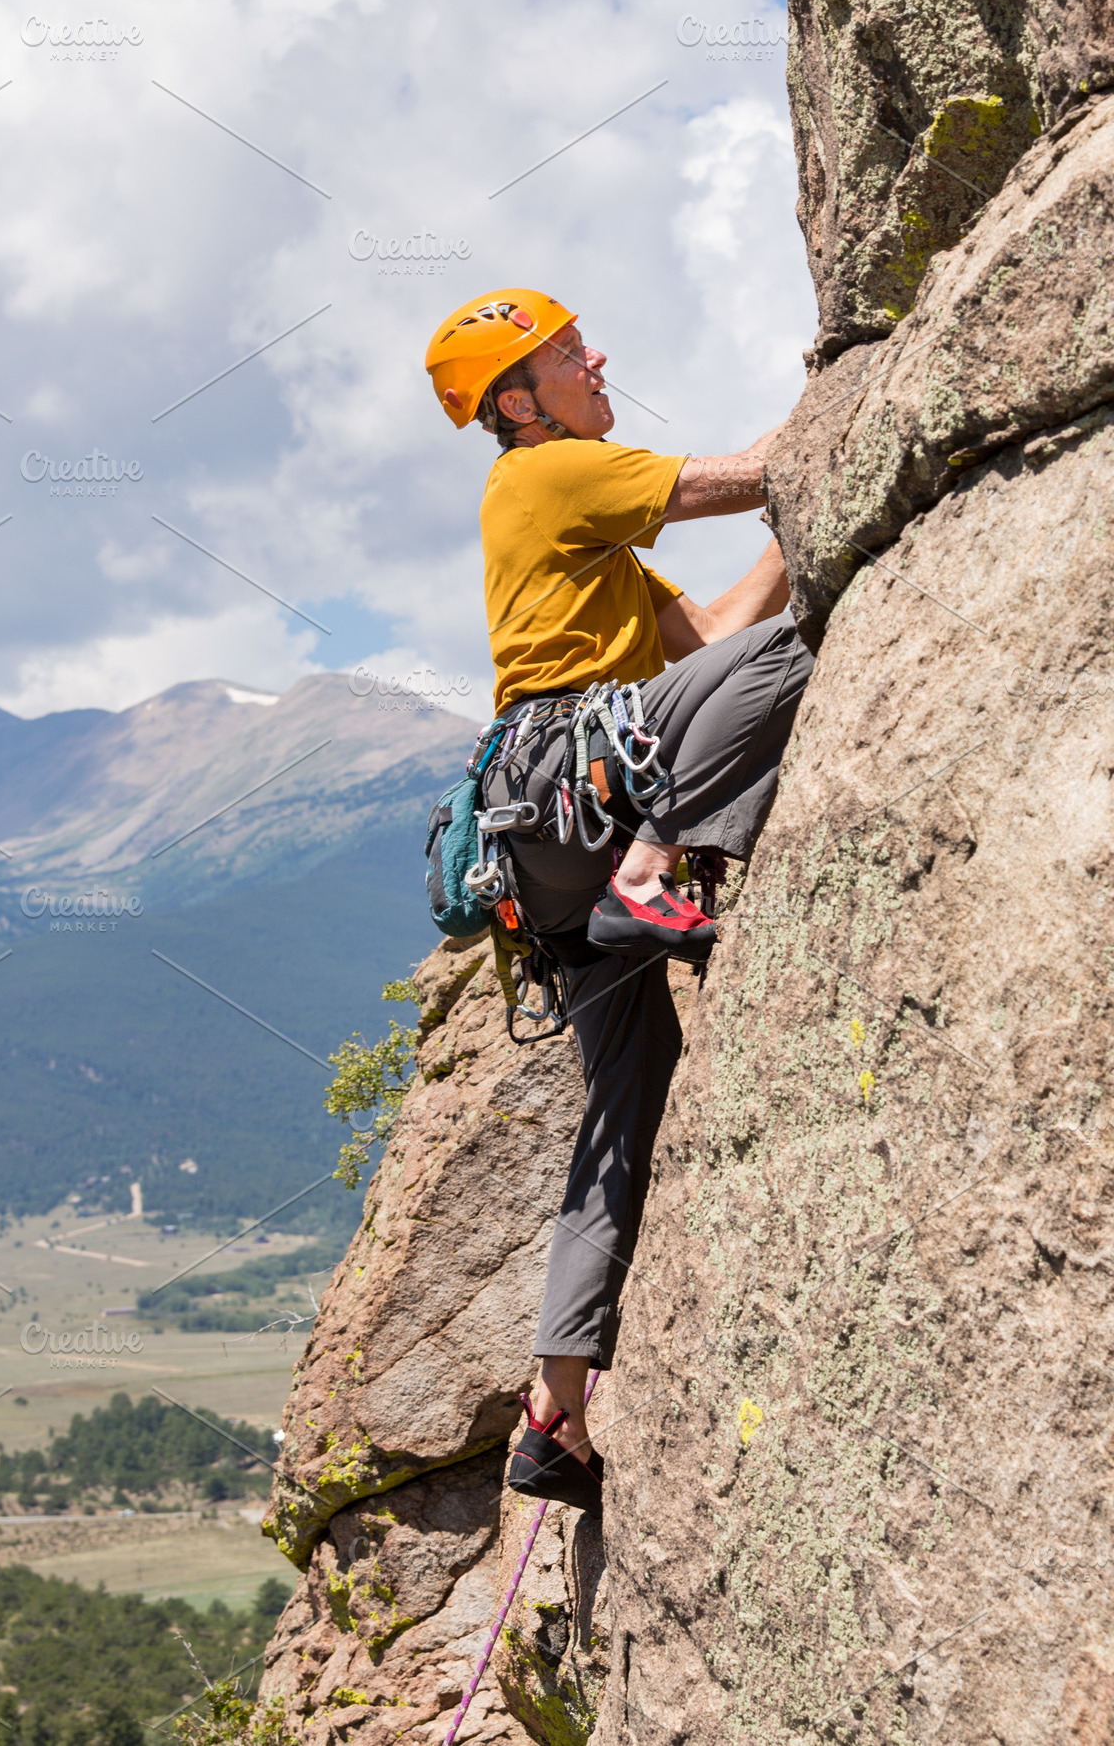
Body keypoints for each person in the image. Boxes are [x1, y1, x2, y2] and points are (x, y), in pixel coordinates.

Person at [425, 288, 813, 1512]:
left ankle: (556, 1407)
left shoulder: (574, 526)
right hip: (579, 790)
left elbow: (702, 636)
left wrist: (811, 550)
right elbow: (749, 477)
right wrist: (858, 391)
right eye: (565, 351)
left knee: (621, 1109)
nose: (599, 357)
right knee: (803, 655)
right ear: (522, 401)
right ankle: (654, 870)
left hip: (545, 848)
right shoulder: (552, 474)